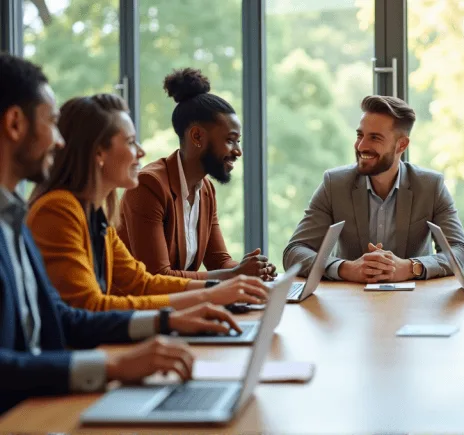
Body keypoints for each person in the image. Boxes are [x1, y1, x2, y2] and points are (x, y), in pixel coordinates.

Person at [0, 53, 245, 415]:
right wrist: (118, 362)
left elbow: (134, 284)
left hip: (44, 394)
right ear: (16, 124)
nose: (59, 141)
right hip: (31, 405)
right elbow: (84, 309)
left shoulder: (32, 216)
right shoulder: (56, 210)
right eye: (51, 123)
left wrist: (195, 303)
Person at [26, 93, 270, 311]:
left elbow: (141, 282)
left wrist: (223, 288)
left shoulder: (97, 213)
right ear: (99, 153)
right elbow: (91, 306)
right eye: (131, 142)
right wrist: (207, 296)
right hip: (83, 350)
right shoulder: (59, 209)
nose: (141, 152)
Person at [283, 95, 464, 283]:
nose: (361, 145)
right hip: (349, 299)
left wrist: (411, 267)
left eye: (375, 138)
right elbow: (295, 251)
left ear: (402, 145)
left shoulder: (430, 186)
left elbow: (461, 253)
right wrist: (346, 268)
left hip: (414, 301)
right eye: (360, 135)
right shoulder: (335, 184)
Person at [118, 68, 276, 281]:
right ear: (197, 136)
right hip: (136, 309)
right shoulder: (149, 186)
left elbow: (219, 262)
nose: (238, 151)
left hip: (179, 306)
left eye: (238, 141)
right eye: (230, 140)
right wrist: (234, 274)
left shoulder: (206, 190)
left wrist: (251, 269)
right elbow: (158, 277)